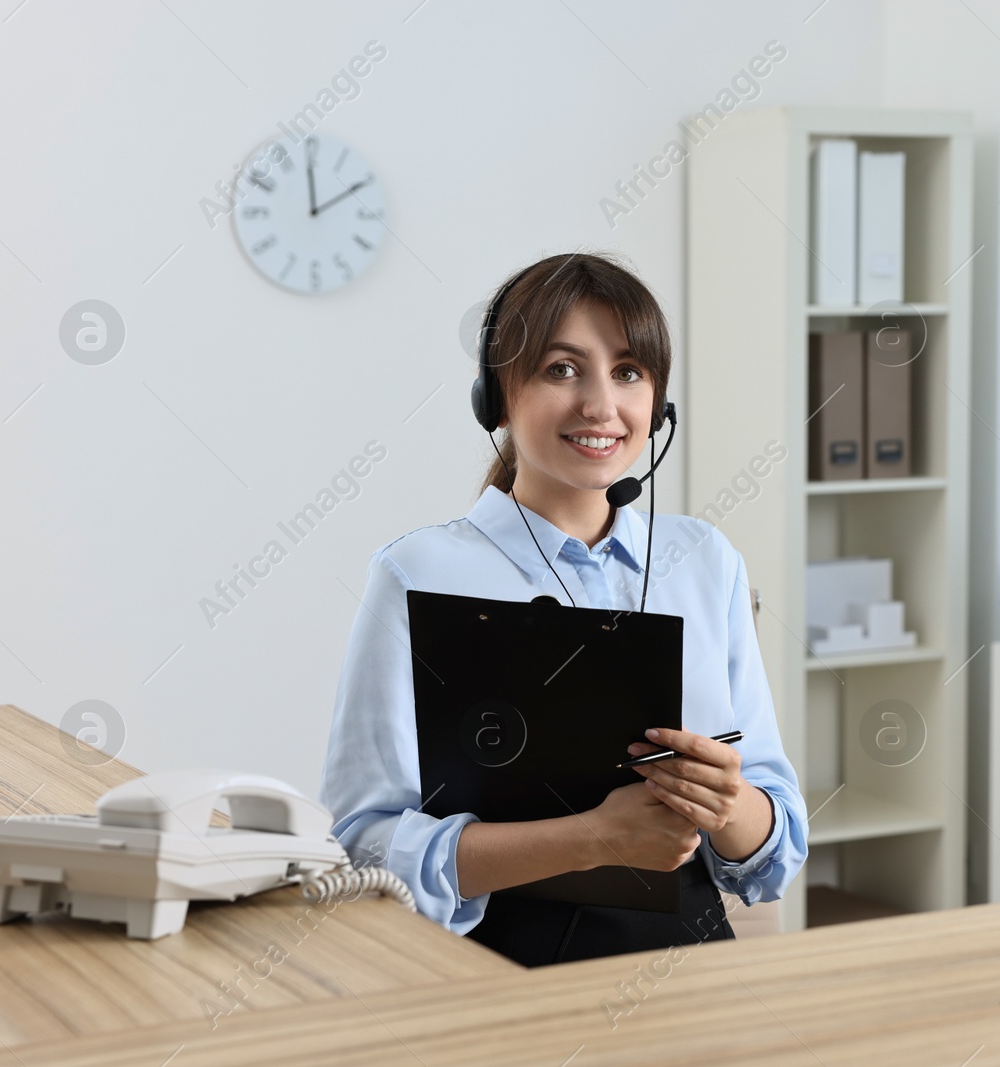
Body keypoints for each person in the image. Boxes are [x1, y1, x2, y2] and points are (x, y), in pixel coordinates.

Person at [318, 251, 806, 966]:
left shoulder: (705, 560)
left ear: (656, 403)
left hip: (691, 962)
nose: (601, 405)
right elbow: (364, 848)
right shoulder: (418, 573)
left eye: (628, 372)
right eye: (561, 368)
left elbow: (774, 841)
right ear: (497, 397)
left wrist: (727, 804)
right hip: (494, 965)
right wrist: (592, 838)